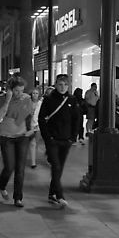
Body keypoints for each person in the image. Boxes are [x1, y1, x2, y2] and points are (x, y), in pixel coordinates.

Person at [0, 76, 34, 208]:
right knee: (9, 166)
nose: (19, 93)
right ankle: (2, 184)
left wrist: (31, 129)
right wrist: (8, 100)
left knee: (20, 169)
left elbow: (29, 116)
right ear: (10, 89)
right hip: (7, 136)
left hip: (22, 136)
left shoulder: (26, 99)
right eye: (16, 90)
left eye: (21, 90)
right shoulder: (3, 99)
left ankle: (18, 198)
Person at [39, 74, 80, 208]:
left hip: (66, 140)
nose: (62, 87)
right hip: (52, 140)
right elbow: (41, 119)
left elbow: (76, 119)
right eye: (60, 84)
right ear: (56, 85)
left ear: (68, 86)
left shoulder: (72, 100)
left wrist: (73, 137)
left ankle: (52, 194)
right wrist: (47, 137)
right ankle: (60, 195)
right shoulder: (48, 99)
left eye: (65, 85)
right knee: (56, 166)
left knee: (59, 168)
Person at [28, 88, 42, 168]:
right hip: (29, 125)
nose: (35, 95)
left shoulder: (41, 103)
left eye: (36, 93)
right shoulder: (28, 103)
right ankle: (33, 162)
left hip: (38, 125)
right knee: (32, 143)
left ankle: (34, 158)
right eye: (33, 93)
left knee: (36, 143)